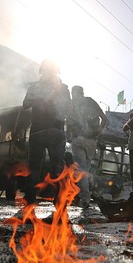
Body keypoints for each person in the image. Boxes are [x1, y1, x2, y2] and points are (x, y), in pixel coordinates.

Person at [22, 60, 70, 205]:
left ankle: (33, 198)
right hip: (46, 130)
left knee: (40, 166)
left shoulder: (56, 88)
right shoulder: (60, 88)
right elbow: (25, 104)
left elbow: (25, 104)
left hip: (46, 130)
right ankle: (56, 199)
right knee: (53, 166)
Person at [67, 85, 108, 208]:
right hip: (91, 141)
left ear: (73, 93)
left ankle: (85, 198)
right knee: (86, 169)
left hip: (78, 140)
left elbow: (68, 123)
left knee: (82, 170)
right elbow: (104, 119)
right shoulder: (90, 101)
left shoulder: (72, 104)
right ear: (83, 92)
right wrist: (98, 133)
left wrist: (70, 135)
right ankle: (83, 195)